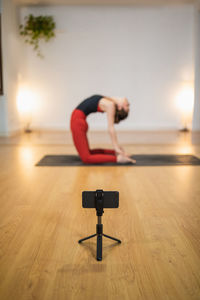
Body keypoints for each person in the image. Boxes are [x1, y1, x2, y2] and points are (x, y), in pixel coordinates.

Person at [70, 94, 136, 164]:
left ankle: (118, 159)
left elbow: (111, 128)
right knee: (88, 153)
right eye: (128, 106)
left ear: (120, 107)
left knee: (86, 158)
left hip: (77, 122)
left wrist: (116, 147)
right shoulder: (111, 100)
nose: (129, 105)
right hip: (79, 121)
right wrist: (117, 150)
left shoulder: (110, 105)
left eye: (127, 106)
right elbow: (115, 99)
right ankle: (115, 153)